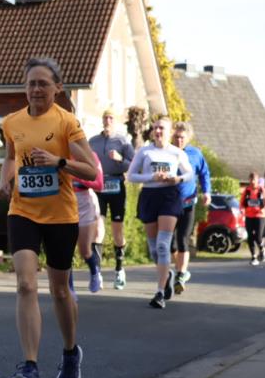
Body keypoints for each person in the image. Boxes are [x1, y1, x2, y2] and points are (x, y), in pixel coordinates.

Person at [0, 57, 97, 378]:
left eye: (43, 83)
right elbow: (11, 156)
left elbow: (92, 171)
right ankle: (30, 367)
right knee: (26, 284)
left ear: (58, 88)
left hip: (61, 215)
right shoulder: (11, 122)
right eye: (31, 83)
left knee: (59, 290)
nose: (36, 89)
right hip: (23, 211)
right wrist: (3, 180)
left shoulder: (67, 122)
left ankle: (70, 352)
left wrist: (59, 162)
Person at [126, 116, 194, 309]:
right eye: (155, 128)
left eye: (162, 128)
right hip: (149, 196)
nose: (158, 131)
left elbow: (189, 173)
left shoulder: (176, 152)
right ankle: (168, 274)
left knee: (164, 245)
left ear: (170, 131)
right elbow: (131, 176)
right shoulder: (145, 151)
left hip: (169, 197)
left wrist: (177, 179)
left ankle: (159, 292)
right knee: (154, 249)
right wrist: (152, 176)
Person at [88, 111, 134, 290]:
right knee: (98, 229)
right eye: (105, 118)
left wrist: (120, 158)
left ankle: (119, 270)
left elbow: (134, 163)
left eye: (111, 118)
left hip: (116, 185)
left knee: (117, 231)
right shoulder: (93, 142)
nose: (107, 121)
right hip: (99, 186)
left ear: (115, 121)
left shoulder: (122, 141)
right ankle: (97, 273)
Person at [170, 121, 210, 294]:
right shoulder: (167, 152)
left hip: (188, 202)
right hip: (169, 203)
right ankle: (177, 269)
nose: (179, 140)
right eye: (177, 137)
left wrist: (207, 192)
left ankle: (180, 274)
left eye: (182, 138)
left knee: (183, 238)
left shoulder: (195, 154)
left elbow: (204, 173)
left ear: (188, 138)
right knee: (170, 243)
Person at [69, 150, 105, 295]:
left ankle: (95, 272)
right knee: (66, 250)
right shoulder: (57, 153)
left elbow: (99, 184)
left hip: (84, 203)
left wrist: (77, 177)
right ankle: (69, 289)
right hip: (64, 203)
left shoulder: (90, 156)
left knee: (84, 250)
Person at [240, 172, 265, 266]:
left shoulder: (262, 190)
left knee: (258, 237)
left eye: (254, 179)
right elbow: (242, 203)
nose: (252, 181)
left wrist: (264, 209)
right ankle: (254, 257)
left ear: (257, 180)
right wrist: (242, 210)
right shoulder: (247, 190)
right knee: (250, 237)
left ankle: (262, 250)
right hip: (249, 216)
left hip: (260, 216)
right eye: (251, 179)